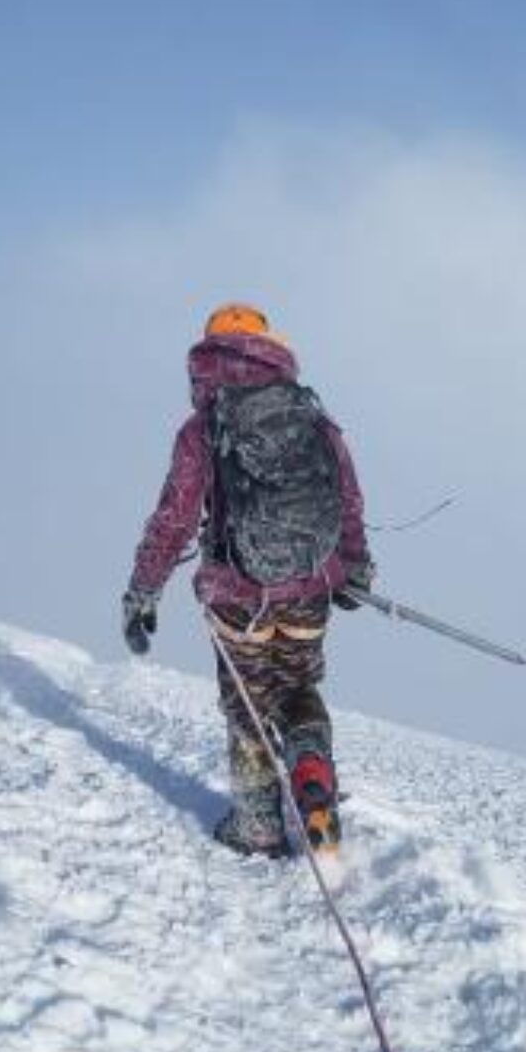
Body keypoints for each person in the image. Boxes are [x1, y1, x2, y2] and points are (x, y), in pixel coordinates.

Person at [122, 304, 374, 858]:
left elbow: (175, 518)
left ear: (208, 357)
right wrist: (355, 569)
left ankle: (258, 824)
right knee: (299, 687)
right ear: (268, 346)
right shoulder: (312, 416)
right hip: (311, 587)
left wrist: (143, 591)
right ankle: (313, 784)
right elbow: (347, 500)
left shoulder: (202, 429)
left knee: (247, 703)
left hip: (237, 598)